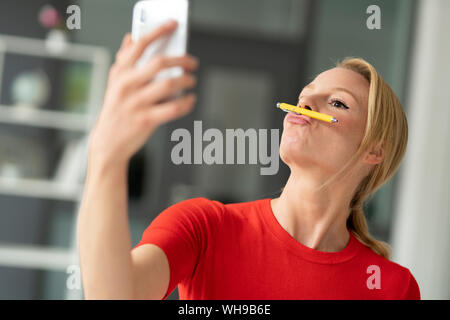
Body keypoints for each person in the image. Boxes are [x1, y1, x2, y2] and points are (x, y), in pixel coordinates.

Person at [78, 20, 420, 300]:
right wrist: (105, 155)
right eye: (304, 96)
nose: (306, 104)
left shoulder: (393, 287)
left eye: (338, 104)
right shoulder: (204, 228)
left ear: (374, 150)